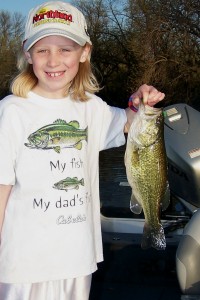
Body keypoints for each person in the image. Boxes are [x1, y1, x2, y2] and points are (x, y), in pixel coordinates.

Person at [0, 1, 165, 300]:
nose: (53, 61)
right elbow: (1, 188)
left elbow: (130, 124)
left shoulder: (91, 107)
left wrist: (138, 101)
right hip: (23, 262)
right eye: (42, 50)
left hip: (77, 258)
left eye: (65, 49)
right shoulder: (11, 112)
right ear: (27, 54)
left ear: (84, 52)